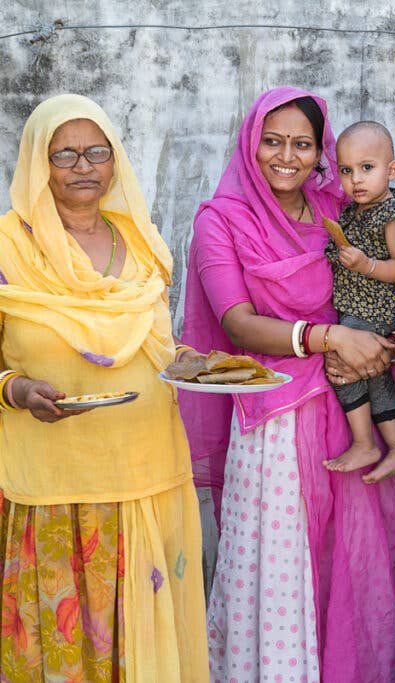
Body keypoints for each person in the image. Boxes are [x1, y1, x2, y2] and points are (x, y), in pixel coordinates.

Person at [181, 88, 395, 682]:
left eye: (302, 144)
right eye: (272, 141)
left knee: (357, 565)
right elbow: (236, 321)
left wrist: (389, 343)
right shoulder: (221, 220)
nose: (287, 156)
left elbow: (388, 286)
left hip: (352, 401)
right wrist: (328, 338)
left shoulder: (336, 207)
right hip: (278, 420)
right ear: (250, 144)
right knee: (284, 573)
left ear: (320, 152)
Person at [0, 94, 208, 680]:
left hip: (148, 472)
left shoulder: (140, 239)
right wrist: (14, 390)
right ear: (38, 164)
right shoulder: (9, 246)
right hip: (54, 483)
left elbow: (157, 347)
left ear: (114, 159)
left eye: (97, 151)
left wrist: (200, 367)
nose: (84, 166)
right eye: (64, 154)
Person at [322, 120, 395, 483]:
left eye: (367, 168)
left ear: (391, 170)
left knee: (342, 365)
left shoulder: (390, 213)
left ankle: (364, 442)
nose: (355, 179)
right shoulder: (352, 211)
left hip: (375, 308)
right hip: (356, 308)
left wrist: (366, 265)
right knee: (377, 379)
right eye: (346, 170)